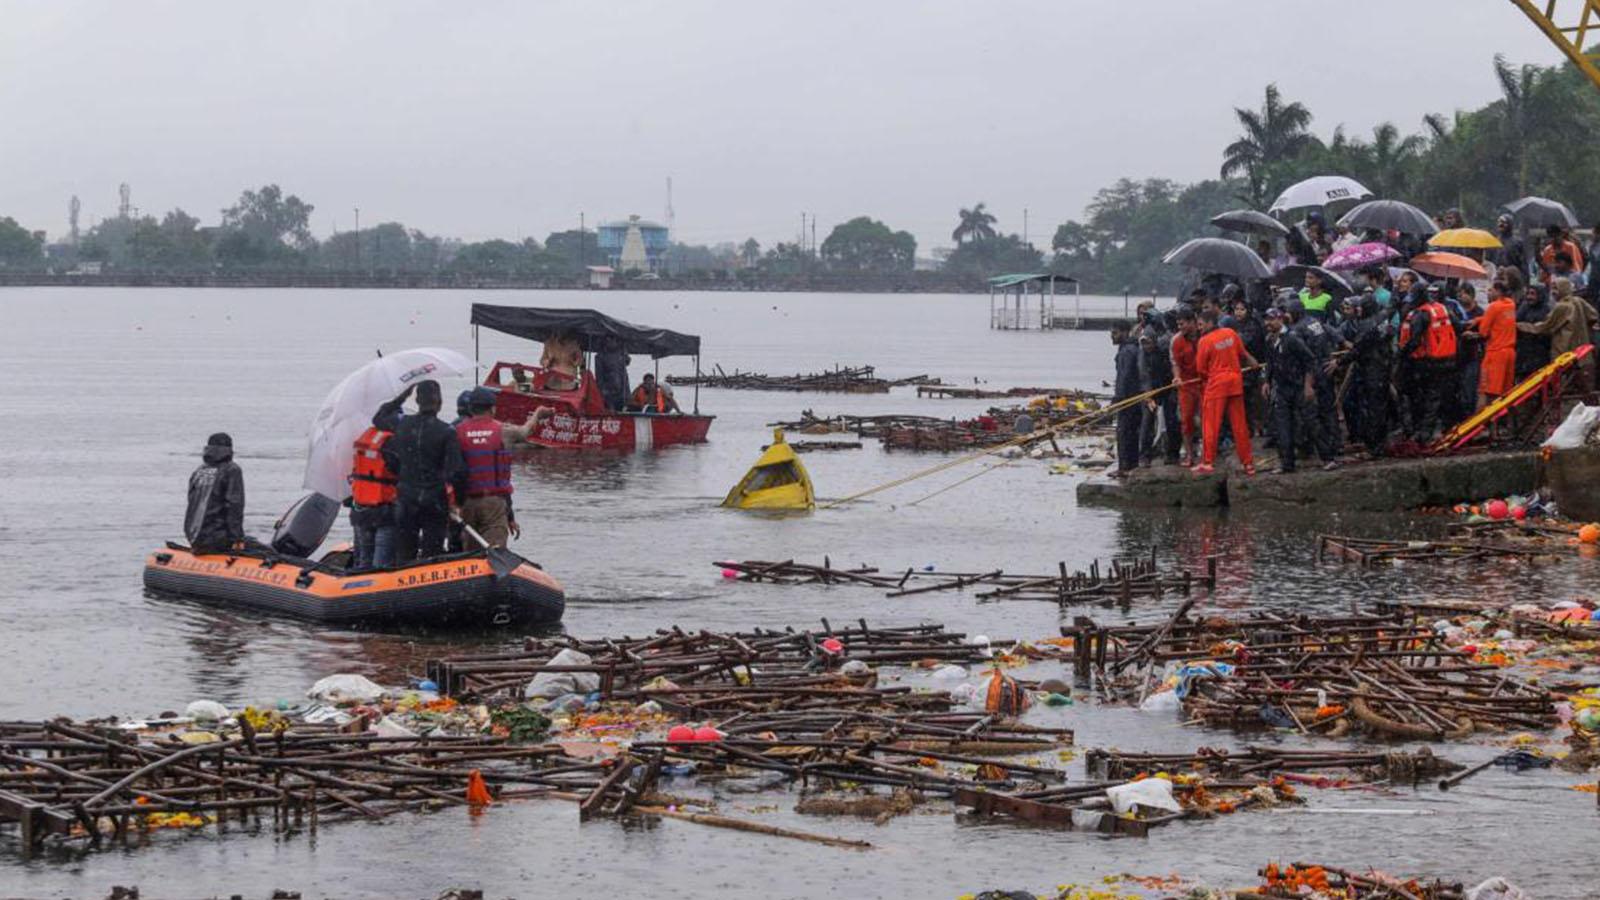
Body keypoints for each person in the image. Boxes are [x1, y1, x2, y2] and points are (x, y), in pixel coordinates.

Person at [373, 380, 467, 561]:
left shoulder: (402, 424)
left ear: (416, 401)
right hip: (434, 498)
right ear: (439, 402)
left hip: (406, 496)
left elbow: (379, 417)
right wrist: (459, 503)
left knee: (405, 550)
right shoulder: (446, 431)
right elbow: (457, 472)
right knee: (432, 551)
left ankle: (403, 582)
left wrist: (401, 397)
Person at [453, 387, 553, 549]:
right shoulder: (502, 430)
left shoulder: (457, 432)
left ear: (470, 408)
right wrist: (538, 414)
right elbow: (525, 432)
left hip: (467, 503)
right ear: (492, 408)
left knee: (470, 553)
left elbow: (454, 471)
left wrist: (456, 504)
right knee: (495, 553)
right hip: (493, 502)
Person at [1193, 308, 1256, 475]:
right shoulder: (1230, 333)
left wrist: (1209, 378)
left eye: (1200, 324)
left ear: (1210, 323)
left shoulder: (1204, 341)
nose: (1199, 328)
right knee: (1240, 426)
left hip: (1216, 386)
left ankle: (1207, 462)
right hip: (1235, 383)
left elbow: (1200, 369)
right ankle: (1248, 463)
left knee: (1210, 425)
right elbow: (1243, 354)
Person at [1398, 283, 1460, 442]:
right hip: (1450, 359)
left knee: (1428, 398)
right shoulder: (1443, 309)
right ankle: (1447, 428)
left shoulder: (1420, 315)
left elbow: (1414, 341)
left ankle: (1425, 434)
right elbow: (1458, 326)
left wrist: (1401, 355)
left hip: (1430, 362)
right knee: (1445, 396)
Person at [1287, 298, 1344, 469]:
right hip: (1326, 367)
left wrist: (1307, 382)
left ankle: (1310, 448)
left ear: (1295, 313)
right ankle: (1336, 444)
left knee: (1309, 413)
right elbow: (1335, 336)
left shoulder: (1297, 330)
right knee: (1328, 409)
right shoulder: (1315, 322)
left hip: (1312, 372)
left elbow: (1304, 357)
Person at [1518, 276, 1599, 394]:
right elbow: (1593, 315)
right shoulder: (1578, 301)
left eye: (1556, 288)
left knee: (1564, 387)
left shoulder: (1562, 307)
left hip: (1564, 350)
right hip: (1583, 349)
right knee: (1584, 387)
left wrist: (1522, 326)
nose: (1553, 292)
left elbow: (1544, 327)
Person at [1262, 309, 1315, 474]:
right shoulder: (1270, 340)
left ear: (1280, 319)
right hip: (1282, 388)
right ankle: (1287, 463)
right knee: (1282, 426)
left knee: (1310, 421)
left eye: (1271, 319)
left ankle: (1328, 457)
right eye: (1266, 320)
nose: (1268, 323)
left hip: (1298, 385)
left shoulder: (1292, 338)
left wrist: (1308, 386)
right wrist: (1266, 382)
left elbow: (1309, 360)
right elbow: (1270, 362)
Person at [1345, 293, 1394, 456]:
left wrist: (1339, 362)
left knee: (1371, 411)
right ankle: (1381, 444)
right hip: (1383, 367)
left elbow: (1357, 349)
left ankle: (1374, 447)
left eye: (1360, 307)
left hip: (1371, 370)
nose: (1358, 310)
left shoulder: (1367, 325)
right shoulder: (1382, 317)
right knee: (1381, 408)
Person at [185, 432, 248, 553]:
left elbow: (191, 502)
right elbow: (234, 506)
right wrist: (237, 538)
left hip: (195, 536)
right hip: (217, 537)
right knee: (260, 548)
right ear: (230, 449)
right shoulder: (232, 470)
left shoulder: (199, 471)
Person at [347, 424, 398, 569]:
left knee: (364, 560)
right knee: (381, 564)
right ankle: (377, 588)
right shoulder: (391, 442)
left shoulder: (365, 437)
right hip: (384, 512)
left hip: (361, 510)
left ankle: (358, 585)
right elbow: (402, 471)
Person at [1138, 330, 1180, 466]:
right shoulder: (1143, 355)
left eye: (1148, 343)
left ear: (1154, 341)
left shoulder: (1164, 350)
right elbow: (1144, 375)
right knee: (1146, 423)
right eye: (1143, 344)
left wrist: (1173, 387)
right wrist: (1148, 395)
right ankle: (1145, 456)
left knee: (1172, 421)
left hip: (1167, 388)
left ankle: (1173, 454)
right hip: (1151, 391)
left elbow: (1173, 367)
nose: (1146, 347)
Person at [1473, 282, 1518, 410]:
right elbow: (1500, 319)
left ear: (1498, 291)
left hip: (1495, 353)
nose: (1488, 293)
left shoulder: (1493, 307)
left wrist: (1478, 324)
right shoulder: (1510, 305)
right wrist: (1480, 319)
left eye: (1490, 290)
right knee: (1505, 393)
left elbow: (1483, 332)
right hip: (1510, 353)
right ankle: (1501, 425)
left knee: (1486, 391)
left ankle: (1480, 425)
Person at [1169, 308, 1203, 466]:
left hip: (1205, 383)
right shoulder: (1176, 340)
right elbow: (1175, 363)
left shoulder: (1205, 335)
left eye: (1182, 324)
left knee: (1206, 419)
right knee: (1186, 420)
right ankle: (1189, 455)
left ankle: (1208, 452)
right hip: (1186, 385)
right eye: (1178, 324)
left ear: (1192, 322)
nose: (1179, 327)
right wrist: (1177, 377)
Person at [1109, 320, 1143, 478]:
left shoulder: (1127, 351)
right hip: (1134, 397)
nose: (1112, 336)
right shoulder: (1132, 347)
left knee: (1124, 433)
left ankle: (1125, 467)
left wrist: (1117, 399)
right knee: (1131, 433)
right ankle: (1131, 465)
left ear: (1124, 332)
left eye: (1115, 333)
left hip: (1128, 398)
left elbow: (1125, 377)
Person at [1231, 298, 1267, 434]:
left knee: (1252, 399)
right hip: (1242, 367)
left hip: (1253, 366)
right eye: (1236, 309)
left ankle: (1255, 427)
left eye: (1242, 309)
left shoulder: (1253, 326)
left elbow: (1243, 345)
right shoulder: (1237, 326)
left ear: (1248, 311)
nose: (1238, 313)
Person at [1515, 283, 1554, 379]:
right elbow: (1516, 322)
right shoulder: (1524, 307)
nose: (1529, 297)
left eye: (1533, 294)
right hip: (1524, 351)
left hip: (1540, 352)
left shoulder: (1547, 310)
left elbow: (1546, 329)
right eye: (1528, 294)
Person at [595, 336, 631, 412]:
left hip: (623, 389)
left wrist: (624, 352)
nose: (612, 342)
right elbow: (599, 376)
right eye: (609, 340)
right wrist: (602, 390)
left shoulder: (622, 353)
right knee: (610, 410)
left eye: (615, 340)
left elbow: (627, 361)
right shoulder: (600, 356)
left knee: (624, 409)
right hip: (609, 389)